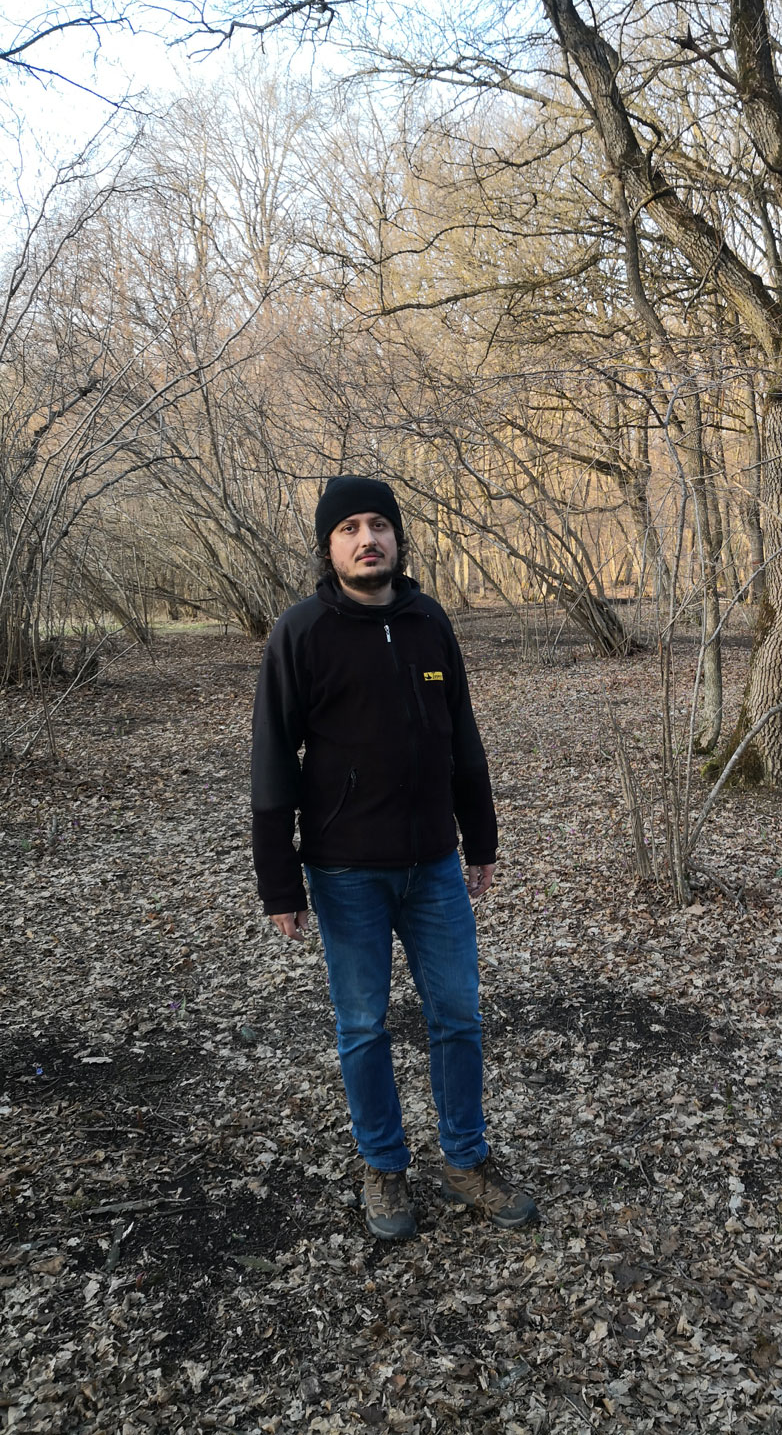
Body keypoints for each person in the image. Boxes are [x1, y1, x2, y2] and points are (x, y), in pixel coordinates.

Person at [250, 474, 537, 1240]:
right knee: (363, 1027)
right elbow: (273, 761)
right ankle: (383, 1166)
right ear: (328, 546)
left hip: (434, 866)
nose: (366, 538)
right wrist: (279, 882)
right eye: (349, 529)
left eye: (378, 524)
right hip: (346, 872)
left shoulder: (427, 622)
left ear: (399, 538)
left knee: (457, 1018)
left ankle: (464, 1162)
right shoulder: (301, 633)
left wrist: (480, 840)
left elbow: (461, 735)